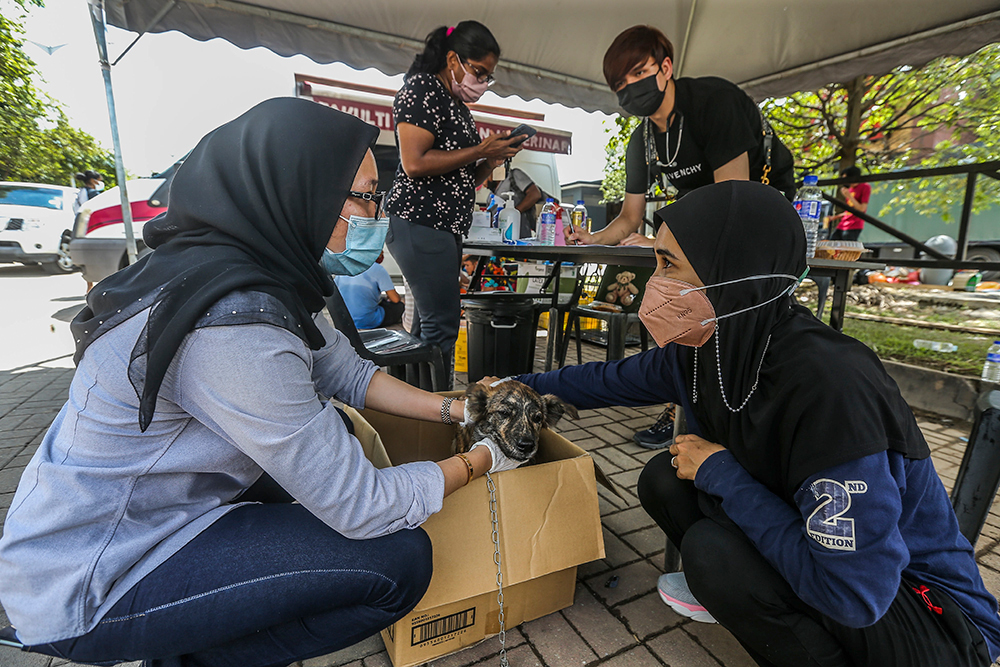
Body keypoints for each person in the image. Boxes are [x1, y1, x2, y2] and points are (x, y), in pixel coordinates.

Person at [0, 99, 523, 666]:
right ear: (299, 191)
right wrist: (485, 459)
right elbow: (365, 505)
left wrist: (461, 411)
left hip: (157, 512)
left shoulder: (246, 268)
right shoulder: (234, 323)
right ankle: (187, 658)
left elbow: (344, 371)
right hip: (91, 577)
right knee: (397, 559)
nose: (377, 214)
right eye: (363, 196)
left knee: (335, 447)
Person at [517, 181, 1000, 667]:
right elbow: (602, 380)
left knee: (714, 556)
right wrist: (516, 385)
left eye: (669, 266)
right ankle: (770, 614)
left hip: (933, 623)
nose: (652, 286)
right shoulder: (707, 347)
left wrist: (722, 474)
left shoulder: (831, 386)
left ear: (735, 274)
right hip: (845, 578)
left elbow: (857, 595)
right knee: (665, 479)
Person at [384, 21, 524, 390]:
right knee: (441, 324)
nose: (482, 81)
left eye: (488, 77)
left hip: (442, 225)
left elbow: (462, 177)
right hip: (419, 219)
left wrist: (489, 162)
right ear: (452, 59)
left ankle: (412, 409)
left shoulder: (457, 105)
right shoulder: (421, 89)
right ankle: (436, 413)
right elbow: (414, 163)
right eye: (479, 71)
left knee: (427, 325)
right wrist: (480, 148)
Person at [565, 25, 795, 248]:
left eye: (639, 72)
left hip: (764, 208)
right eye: (621, 83)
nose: (631, 86)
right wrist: (593, 238)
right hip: (708, 216)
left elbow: (731, 198)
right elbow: (630, 217)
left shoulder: (715, 102)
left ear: (665, 68)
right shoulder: (642, 141)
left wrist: (661, 243)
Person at [334, 252, 405, 329]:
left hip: (346, 320)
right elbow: (395, 299)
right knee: (399, 306)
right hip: (369, 321)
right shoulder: (378, 269)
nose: (383, 253)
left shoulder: (344, 267)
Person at [486, 166, 544, 238]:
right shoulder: (491, 195)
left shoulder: (513, 176)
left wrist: (513, 214)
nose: (483, 184)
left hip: (520, 235)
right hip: (499, 237)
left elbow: (535, 194)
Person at [826, 165, 871, 241]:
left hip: (854, 224)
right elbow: (849, 210)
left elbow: (862, 209)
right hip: (843, 223)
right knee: (833, 241)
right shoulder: (850, 189)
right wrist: (835, 217)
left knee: (847, 246)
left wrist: (849, 196)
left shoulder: (865, 187)